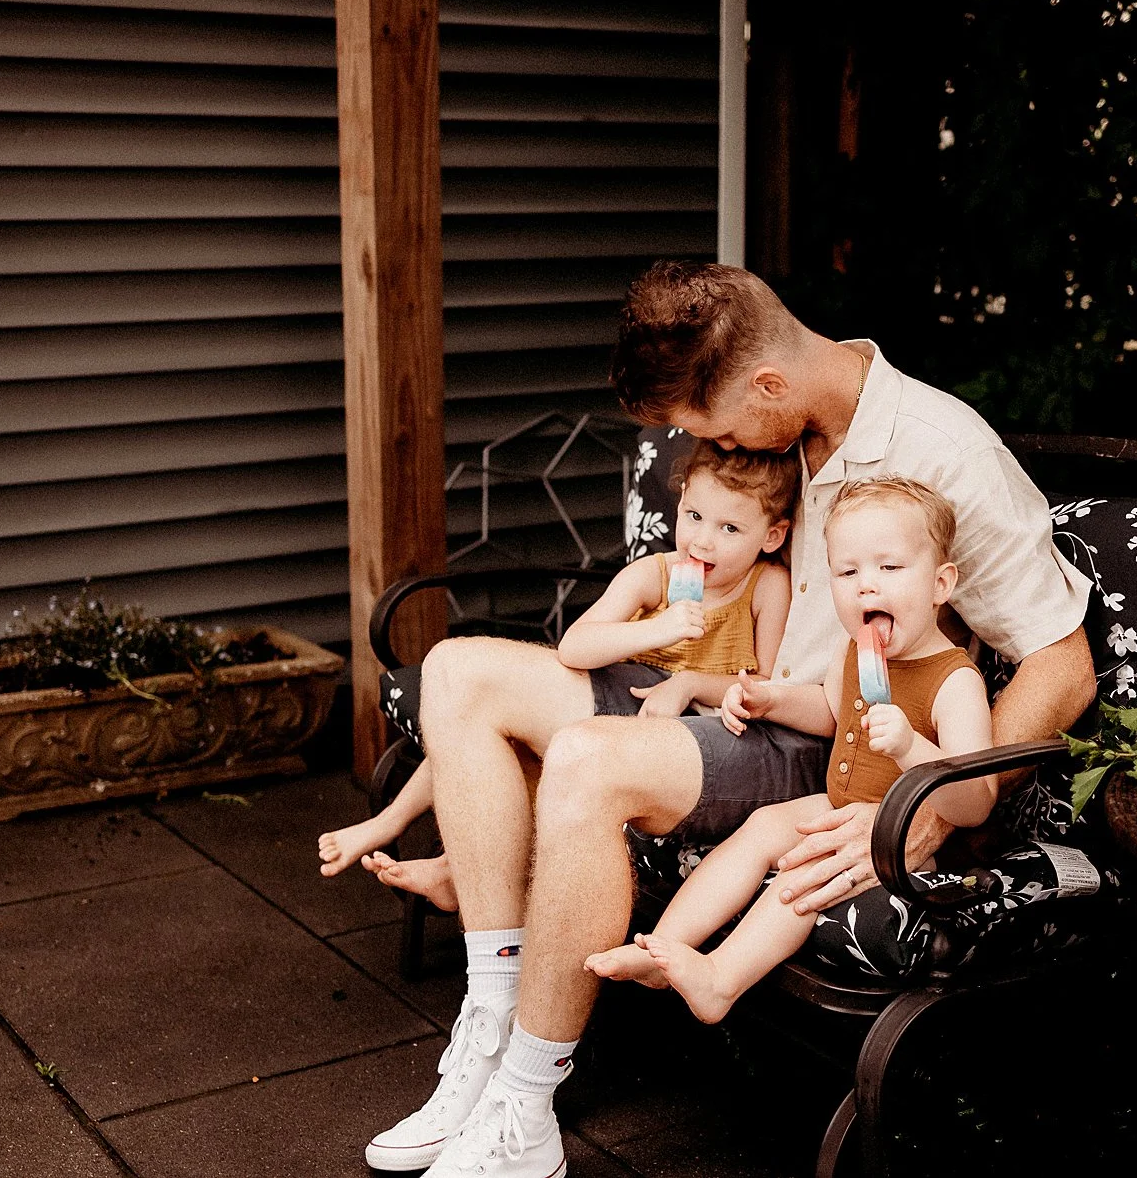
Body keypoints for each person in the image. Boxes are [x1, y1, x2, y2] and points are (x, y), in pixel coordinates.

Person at [379, 262, 1097, 1178]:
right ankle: (489, 1020)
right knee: (458, 671)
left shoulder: (944, 450)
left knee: (588, 761)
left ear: (765, 385)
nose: (700, 441)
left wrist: (928, 797)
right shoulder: (785, 428)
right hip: (728, 697)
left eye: (705, 425)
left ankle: (525, 1100)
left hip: (813, 742)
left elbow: (1061, 655)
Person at [319, 443, 797, 923]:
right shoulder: (655, 574)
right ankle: (393, 823)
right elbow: (575, 646)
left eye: (729, 528)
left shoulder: (767, 586)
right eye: (693, 515)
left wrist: (690, 682)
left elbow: (763, 682)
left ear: (773, 536)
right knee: (486, 724)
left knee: (515, 735)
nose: (702, 541)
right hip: (622, 699)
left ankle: (449, 871)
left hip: (687, 735)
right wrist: (658, 628)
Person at [587, 477, 994, 1023]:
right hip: (838, 804)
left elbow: (974, 803)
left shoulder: (954, 681)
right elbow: (831, 711)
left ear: (941, 583)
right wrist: (770, 699)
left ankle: (721, 981)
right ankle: (659, 950)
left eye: (889, 569)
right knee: (760, 829)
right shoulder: (852, 650)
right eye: (848, 572)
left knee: (805, 875)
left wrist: (911, 747)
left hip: (902, 831)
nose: (866, 588)